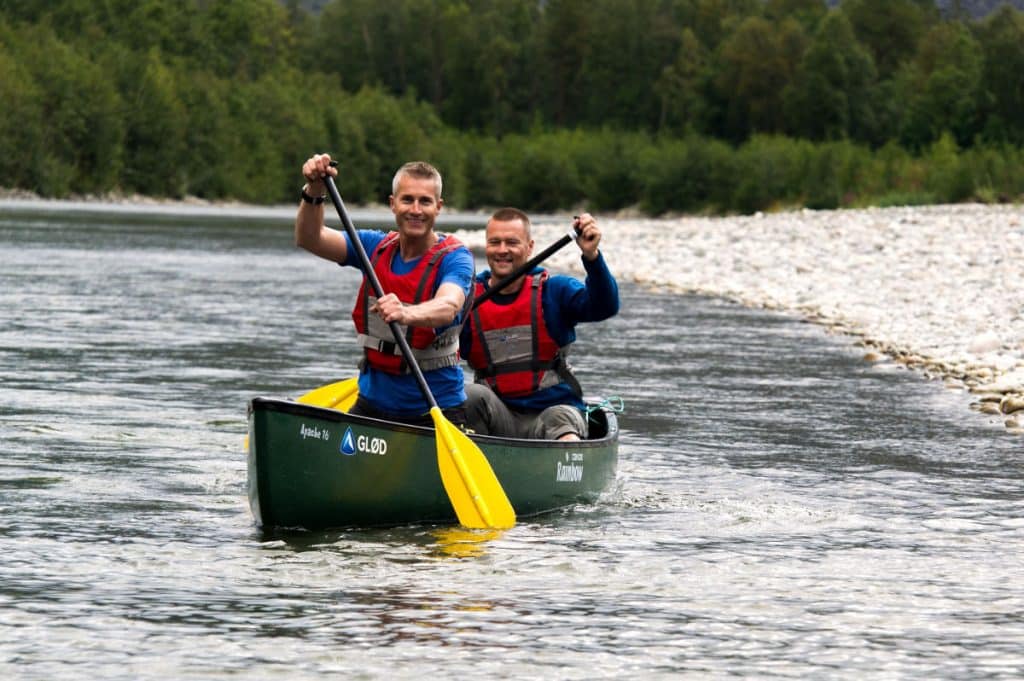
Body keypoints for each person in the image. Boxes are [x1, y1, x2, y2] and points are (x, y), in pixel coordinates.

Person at [295, 153, 474, 427]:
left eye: (425, 201)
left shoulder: (455, 257)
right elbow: (310, 238)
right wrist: (314, 190)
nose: (416, 209)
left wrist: (407, 312)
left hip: (435, 409)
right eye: (407, 200)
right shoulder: (372, 246)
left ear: (438, 207)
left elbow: (449, 305)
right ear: (393, 204)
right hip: (372, 404)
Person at [461, 207, 619, 440]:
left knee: (557, 419)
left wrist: (592, 257)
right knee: (468, 395)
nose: (502, 250)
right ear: (486, 246)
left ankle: (564, 463)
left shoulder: (554, 291)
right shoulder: (466, 299)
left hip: (556, 413)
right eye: (495, 242)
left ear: (530, 247)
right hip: (499, 421)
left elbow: (605, 306)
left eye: (512, 242)